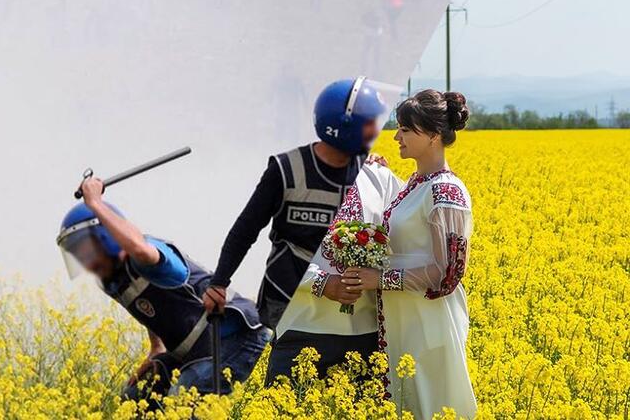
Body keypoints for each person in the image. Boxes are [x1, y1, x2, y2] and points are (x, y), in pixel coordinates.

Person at [57, 177, 270, 403]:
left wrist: (96, 205)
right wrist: (157, 348)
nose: (86, 263)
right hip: (198, 352)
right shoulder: (113, 281)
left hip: (240, 340)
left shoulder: (147, 256)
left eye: (87, 252)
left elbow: (140, 249)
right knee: (136, 397)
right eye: (79, 257)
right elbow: (152, 307)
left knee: (184, 397)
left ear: (106, 238)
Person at [203, 76, 388, 330]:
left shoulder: (367, 169)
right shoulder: (284, 170)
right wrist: (219, 282)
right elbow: (246, 229)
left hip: (342, 307)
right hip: (286, 299)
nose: (375, 131)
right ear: (345, 126)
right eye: (369, 123)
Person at [338, 89, 477, 419]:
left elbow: (446, 273)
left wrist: (379, 279)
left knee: (431, 404)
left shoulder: (446, 190)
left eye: (405, 128)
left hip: (427, 321)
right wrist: (370, 167)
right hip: (406, 318)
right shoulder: (418, 183)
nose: (396, 136)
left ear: (431, 135)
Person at [264, 154, 402, 384]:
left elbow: (406, 237)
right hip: (301, 330)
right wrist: (321, 282)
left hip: (365, 336)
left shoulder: (381, 178)